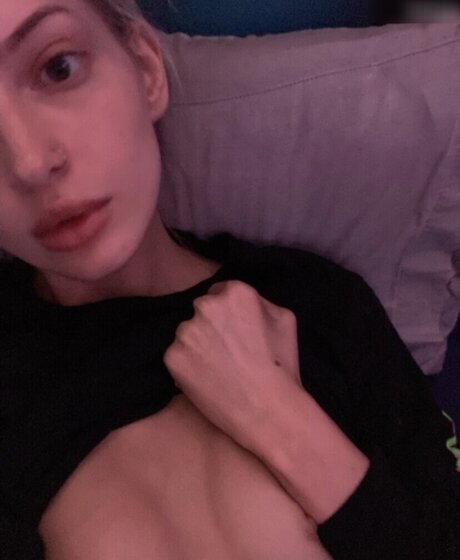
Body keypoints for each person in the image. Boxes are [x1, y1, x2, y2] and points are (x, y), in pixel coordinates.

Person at [0, 1, 458, 559]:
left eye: (58, 68)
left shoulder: (315, 303)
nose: (28, 162)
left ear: (146, 69)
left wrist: (285, 424)